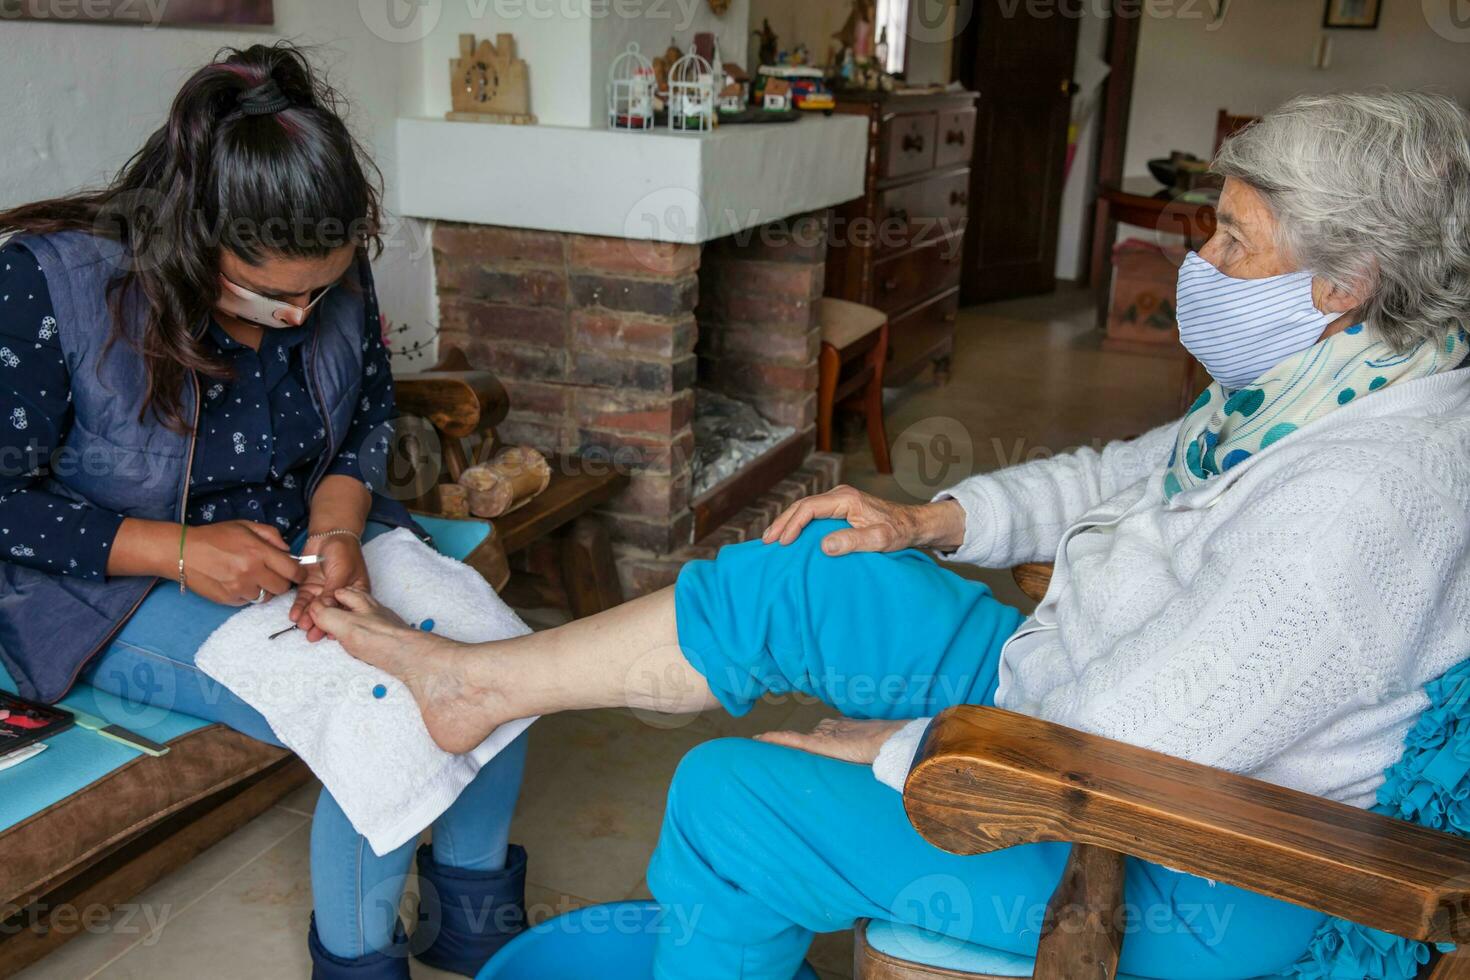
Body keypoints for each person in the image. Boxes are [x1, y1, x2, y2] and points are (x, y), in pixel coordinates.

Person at [314, 90, 1470, 979]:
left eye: (1233, 239)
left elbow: (1125, 746)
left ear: (1346, 280)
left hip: (1177, 855)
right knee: (811, 571)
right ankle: (474, 687)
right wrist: (929, 516)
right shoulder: (1324, 379)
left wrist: (885, 747)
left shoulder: (1369, 500)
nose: (1199, 261)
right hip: (1078, 686)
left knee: (732, 801)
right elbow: (1135, 471)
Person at [0, 44, 527, 979]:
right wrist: (175, 550)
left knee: (501, 662)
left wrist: (335, 525)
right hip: (101, 587)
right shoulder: (53, 284)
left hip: (296, 538)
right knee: (387, 709)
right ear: (190, 237)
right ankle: (360, 962)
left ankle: (477, 929)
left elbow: (365, 415)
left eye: (320, 291)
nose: (299, 316)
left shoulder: (327, 265)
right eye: (271, 294)